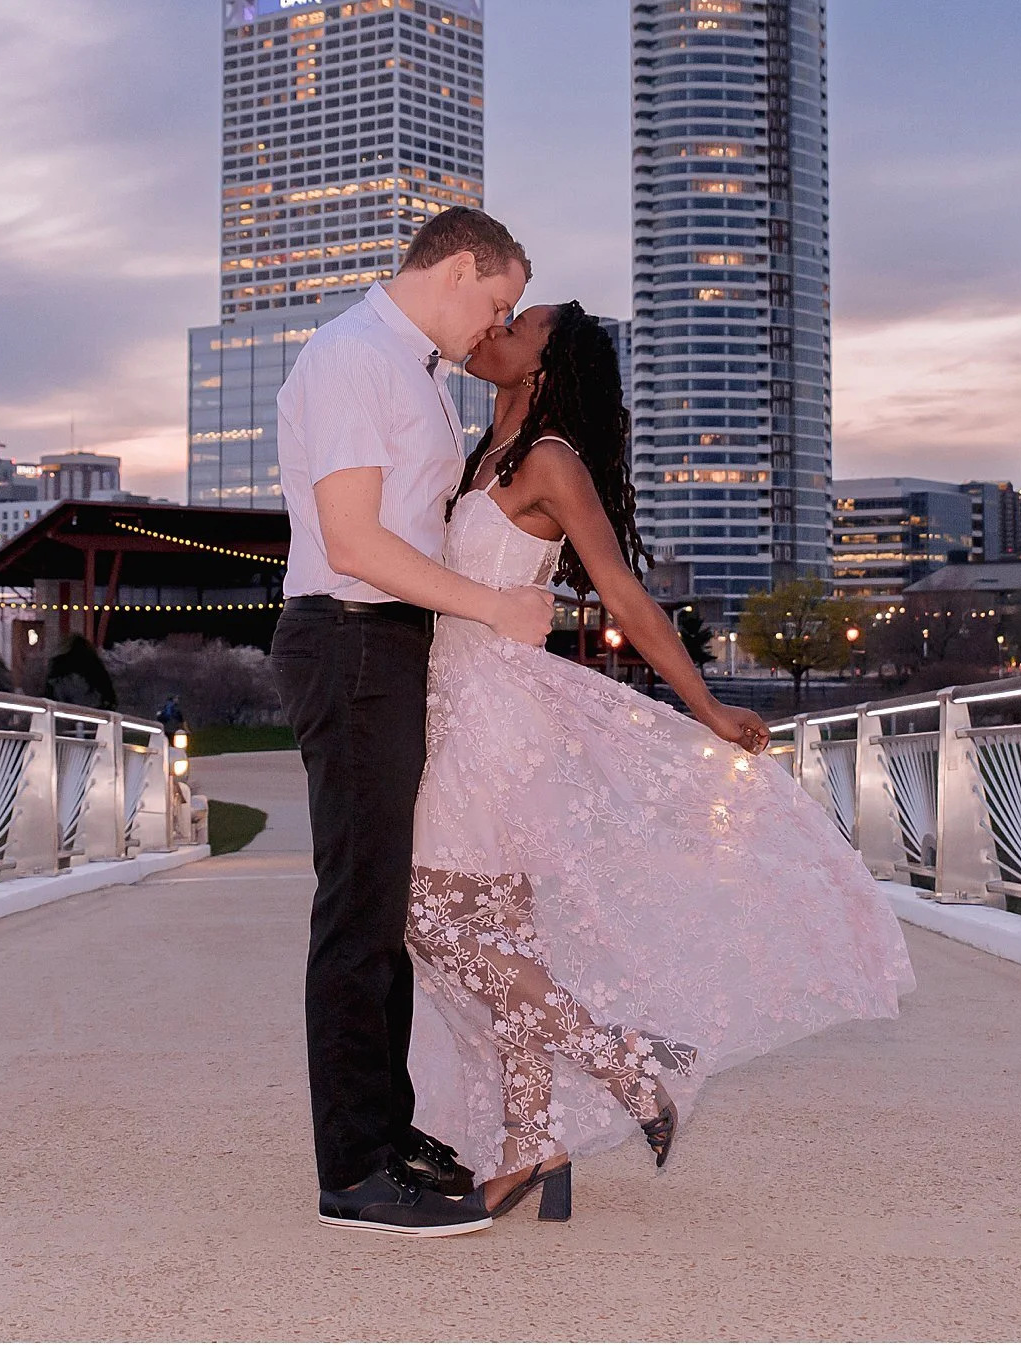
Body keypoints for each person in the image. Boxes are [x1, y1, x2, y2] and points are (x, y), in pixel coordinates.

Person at [405, 301, 917, 1222]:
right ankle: (532, 1141)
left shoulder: (550, 460)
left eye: (518, 326)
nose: (496, 331)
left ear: (546, 366)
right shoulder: (482, 455)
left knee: (431, 920)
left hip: (499, 720)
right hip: (457, 708)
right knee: (500, 938)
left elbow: (627, 599)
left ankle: (628, 1063)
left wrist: (706, 705)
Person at [271, 207, 555, 1238]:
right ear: (461, 266)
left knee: (381, 907)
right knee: (359, 910)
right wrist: (494, 607)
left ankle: (384, 1135)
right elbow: (352, 542)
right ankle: (354, 1172)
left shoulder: (408, 369)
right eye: (497, 300)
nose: (496, 324)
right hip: (350, 638)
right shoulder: (354, 357)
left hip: (383, 646)